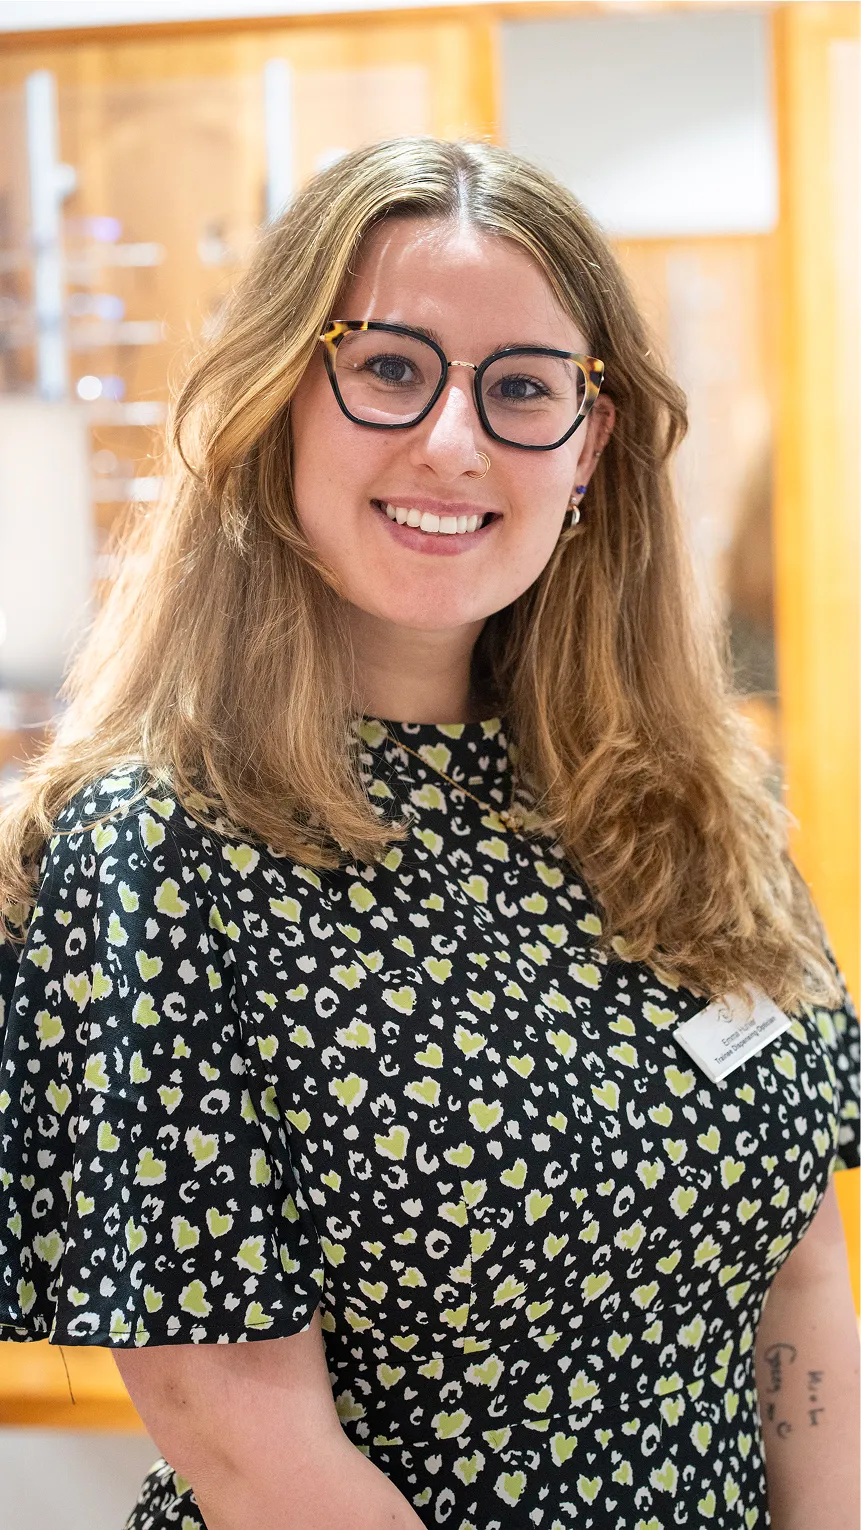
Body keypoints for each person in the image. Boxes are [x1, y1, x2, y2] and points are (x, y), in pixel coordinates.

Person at [0, 137, 857, 1530]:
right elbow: (236, 1425)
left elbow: (799, 1267)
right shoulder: (157, 854)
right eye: (389, 367)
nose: (453, 440)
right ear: (279, 400)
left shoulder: (701, 796)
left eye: (523, 388)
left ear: (593, 448)